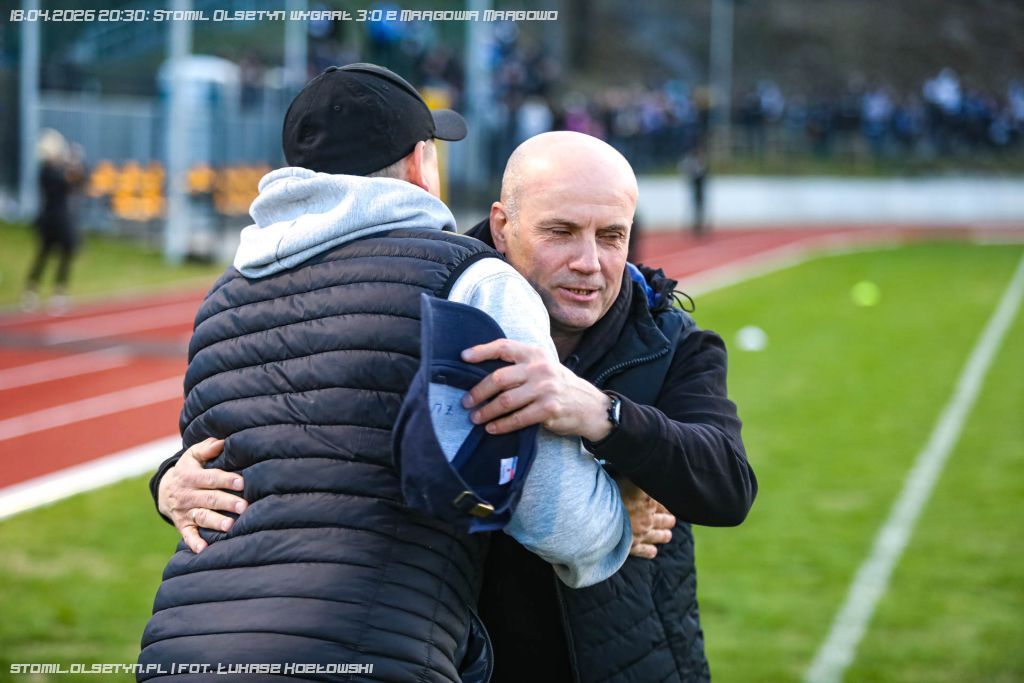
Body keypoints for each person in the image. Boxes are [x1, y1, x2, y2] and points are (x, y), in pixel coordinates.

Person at [138, 64, 632, 682]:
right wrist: (619, 516)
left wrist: (164, 485)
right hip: (366, 650)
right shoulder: (472, 279)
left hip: (183, 651)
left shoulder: (221, 299)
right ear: (420, 164)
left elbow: (203, 476)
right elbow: (553, 512)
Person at [459, 131, 756, 682]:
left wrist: (603, 415)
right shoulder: (437, 316)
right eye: (561, 232)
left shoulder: (672, 340)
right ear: (502, 226)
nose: (589, 262)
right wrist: (609, 514)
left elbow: (728, 488)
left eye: (612, 236)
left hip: (638, 663)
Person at [23, 129, 85, 313]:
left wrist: (74, 166)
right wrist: (72, 165)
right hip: (53, 219)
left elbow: (78, 182)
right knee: (45, 254)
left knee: (65, 253)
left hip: (58, 218)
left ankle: (57, 291)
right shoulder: (47, 172)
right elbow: (66, 181)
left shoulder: (56, 171)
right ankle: (33, 291)